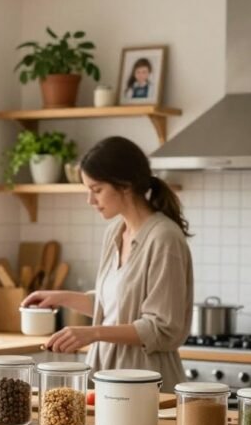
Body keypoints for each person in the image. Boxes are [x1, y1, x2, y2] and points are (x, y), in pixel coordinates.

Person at [21, 135, 193, 393]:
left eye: (97, 190)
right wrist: (61, 297)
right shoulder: (115, 232)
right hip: (105, 375)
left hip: (144, 381)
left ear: (125, 185)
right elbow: (115, 307)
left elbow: (162, 329)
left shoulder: (164, 238)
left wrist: (92, 334)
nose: (90, 200)